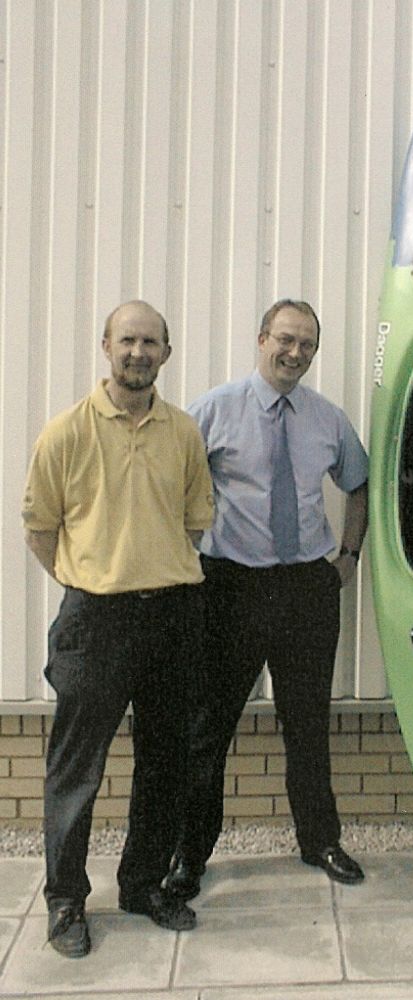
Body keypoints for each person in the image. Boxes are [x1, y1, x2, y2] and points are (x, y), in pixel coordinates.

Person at [22, 301, 214, 957]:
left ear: (166, 353)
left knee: (165, 762)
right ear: (106, 345)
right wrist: (91, 577)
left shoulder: (183, 433)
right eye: (127, 339)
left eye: (150, 342)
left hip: (172, 617)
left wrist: (148, 568)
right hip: (95, 620)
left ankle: (141, 885)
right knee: (76, 770)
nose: (138, 352)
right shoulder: (66, 432)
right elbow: (40, 530)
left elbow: (194, 522)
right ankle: (65, 902)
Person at [167, 299, 369, 900]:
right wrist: (182, 561)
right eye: (285, 339)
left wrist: (348, 557)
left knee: (307, 724)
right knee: (209, 727)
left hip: (307, 589)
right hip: (230, 587)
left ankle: (320, 840)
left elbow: (359, 484)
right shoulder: (214, 410)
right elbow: (170, 484)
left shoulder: (327, 419)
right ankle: (190, 855)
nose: (295, 352)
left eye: (306, 344)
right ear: (261, 339)